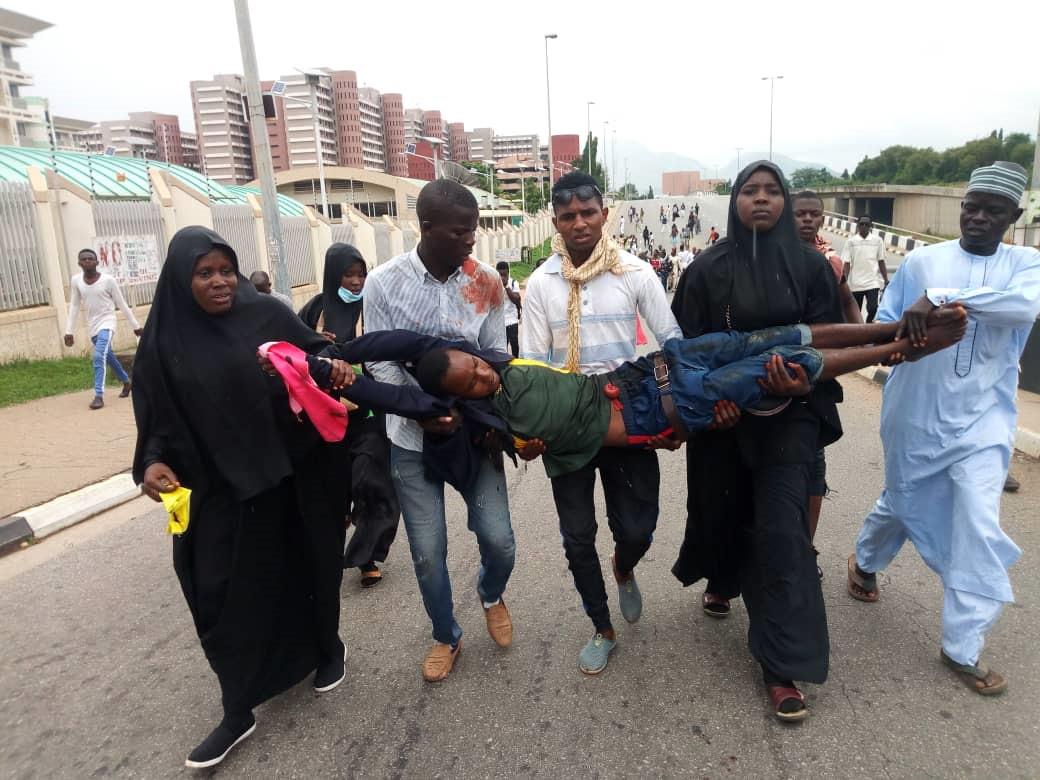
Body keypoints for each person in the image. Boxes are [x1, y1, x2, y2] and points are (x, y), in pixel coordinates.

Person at [131, 227, 350, 768]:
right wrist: (154, 464)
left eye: (225, 270)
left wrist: (335, 364)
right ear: (182, 280)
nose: (220, 281)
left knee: (304, 570)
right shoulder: (162, 342)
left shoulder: (264, 315)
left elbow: (314, 355)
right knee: (214, 592)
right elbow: (155, 421)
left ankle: (326, 650)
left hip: (285, 477)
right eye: (204, 273)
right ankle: (238, 707)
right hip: (213, 491)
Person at [848, 161, 1040, 696]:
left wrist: (940, 299)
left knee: (977, 521)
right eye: (971, 206)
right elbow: (887, 318)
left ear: (1014, 216)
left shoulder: (1026, 265)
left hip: (985, 419)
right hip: (916, 410)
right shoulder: (924, 260)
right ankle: (864, 560)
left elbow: (1024, 307)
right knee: (905, 499)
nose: (977, 217)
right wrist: (900, 342)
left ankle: (962, 644)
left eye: (992, 211)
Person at [671, 161, 844, 721]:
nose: (762, 200)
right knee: (720, 511)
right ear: (735, 200)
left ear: (787, 202)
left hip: (788, 418)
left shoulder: (812, 270)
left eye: (773, 192)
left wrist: (805, 380)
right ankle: (722, 579)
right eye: (751, 191)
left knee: (781, 531)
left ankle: (781, 665)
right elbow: (684, 350)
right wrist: (708, 404)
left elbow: (829, 344)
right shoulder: (705, 270)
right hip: (722, 421)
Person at [520, 172, 683, 675]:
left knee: (638, 527)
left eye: (588, 212)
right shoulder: (542, 283)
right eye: (568, 215)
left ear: (604, 213)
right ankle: (601, 627)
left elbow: (672, 341)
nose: (579, 222)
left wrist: (675, 411)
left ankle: (625, 566)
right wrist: (531, 427)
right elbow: (530, 362)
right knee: (577, 536)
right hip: (566, 425)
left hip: (625, 414)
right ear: (556, 221)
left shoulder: (635, 273)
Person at [363, 179, 516, 683]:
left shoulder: (486, 281)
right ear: (426, 228)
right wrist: (420, 411)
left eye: (474, 229)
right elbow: (381, 366)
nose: (472, 240)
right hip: (411, 438)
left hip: (473, 435)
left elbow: (497, 354)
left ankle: (491, 593)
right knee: (428, 554)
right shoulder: (383, 284)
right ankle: (446, 634)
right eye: (461, 231)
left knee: (500, 541)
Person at [299, 244, 401, 589]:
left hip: (370, 412)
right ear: (333, 276)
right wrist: (315, 343)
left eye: (361, 274)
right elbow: (291, 352)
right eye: (349, 274)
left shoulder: (374, 305)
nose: (357, 282)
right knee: (334, 485)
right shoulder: (314, 310)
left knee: (371, 480)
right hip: (326, 414)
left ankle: (367, 555)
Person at [793, 191, 863, 568]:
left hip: (816, 378)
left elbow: (848, 300)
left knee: (814, 469)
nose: (807, 220)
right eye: (799, 214)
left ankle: (806, 549)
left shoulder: (829, 263)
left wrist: (867, 338)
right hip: (771, 377)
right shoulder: (772, 258)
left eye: (813, 214)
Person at [63, 248, 142, 410]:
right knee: (109, 356)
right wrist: (69, 331)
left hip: (107, 322)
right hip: (93, 325)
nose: (87, 261)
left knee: (99, 356)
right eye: (83, 259)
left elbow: (121, 304)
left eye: (90, 259)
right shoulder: (76, 281)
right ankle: (127, 382)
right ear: (79, 263)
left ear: (97, 262)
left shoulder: (108, 280)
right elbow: (75, 305)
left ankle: (98, 395)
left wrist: (135, 326)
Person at [840, 215, 889, 322]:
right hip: (855, 284)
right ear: (858, 226)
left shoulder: (877, 241)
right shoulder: (851, 242)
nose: (864, 226)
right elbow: (847, 263)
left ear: (870, 226)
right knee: (855, 312)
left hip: (872, 283)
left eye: (866, 224)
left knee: (873, 309)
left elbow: (881, 261)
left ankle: (868, 325)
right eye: (861, 224)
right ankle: (859, 332)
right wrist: (844, 281)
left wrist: (886, 280)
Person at [496, 260, 522, 357]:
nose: (502, 277)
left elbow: (516, 299)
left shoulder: (513, 283)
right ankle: (504, 364)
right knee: (502, 345)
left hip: (512, 319)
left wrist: (506, 286)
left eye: (504, 274)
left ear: (508, 273)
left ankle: (516, 361)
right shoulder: (493, 283)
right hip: (499, 320)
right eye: (500, 274)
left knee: (514, 343)